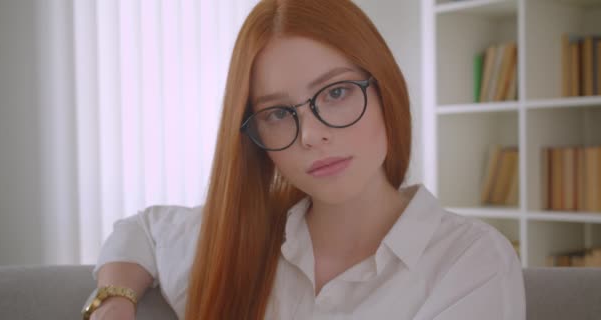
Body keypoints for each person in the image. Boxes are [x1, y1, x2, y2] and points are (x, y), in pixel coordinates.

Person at [85, 0, 526, 319]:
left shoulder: (470, 261)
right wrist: (114, 300)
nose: (313, 135)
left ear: (385, 89)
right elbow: (142, 230)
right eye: (278, 113)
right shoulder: (235, 241)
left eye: (335, 93)